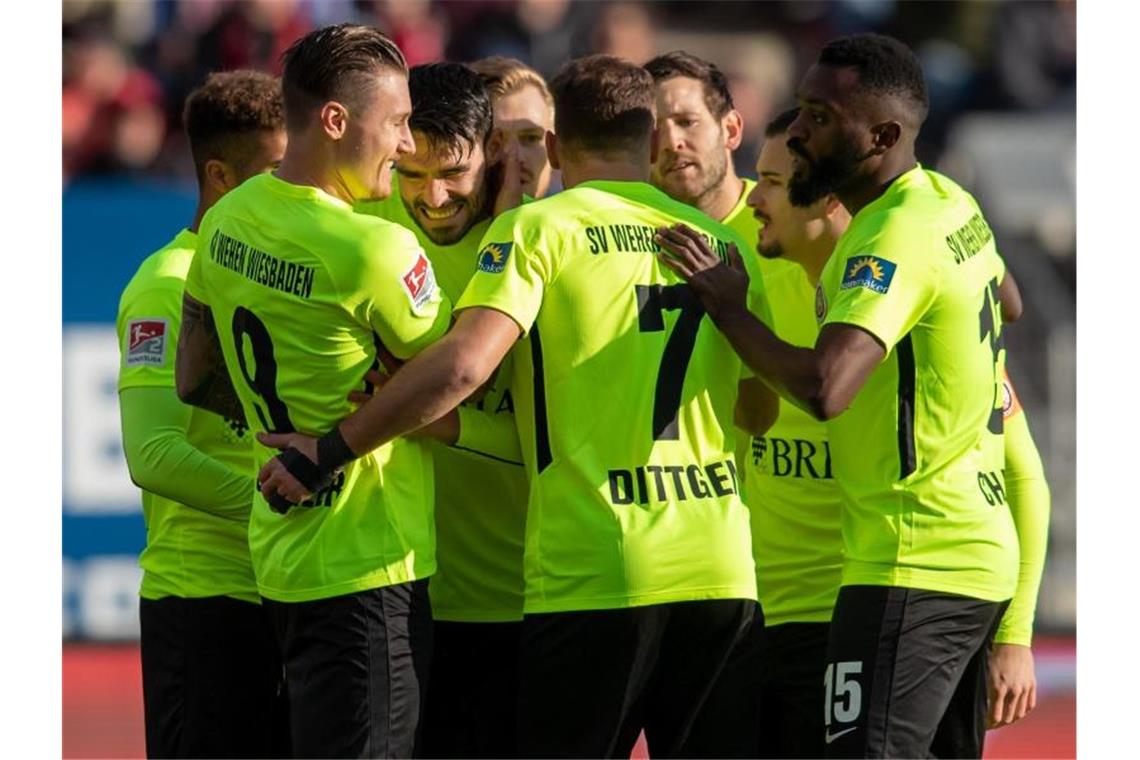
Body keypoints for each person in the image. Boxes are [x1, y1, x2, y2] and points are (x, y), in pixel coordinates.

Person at [256, 54, 777, 758]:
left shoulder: (541, 232)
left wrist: (336, 446)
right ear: (652, 140)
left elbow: (466, 364)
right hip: (719, 568)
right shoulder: (717, 247)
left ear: (558, 146)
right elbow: (758, 412)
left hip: (592, 571)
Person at [654, 33, 1019, 758]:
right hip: (974, 555)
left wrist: (729, 309)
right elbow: (1008, 301)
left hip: (909, 558)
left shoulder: (891, 236)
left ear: (881, 135)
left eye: (821, 118)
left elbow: (825, 388)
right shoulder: (947, 198)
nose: (802, 130)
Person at [174, 24, 451, 758]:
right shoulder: (373, 248)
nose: (407, 143)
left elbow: (194, 375)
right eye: (396, 122)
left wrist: (285, 427)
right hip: (369, 562)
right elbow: (449, 405)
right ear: (335, 120)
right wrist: (344, 425)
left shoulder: (226, 220)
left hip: (282, 556)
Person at [354, 61, 528, 758]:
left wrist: (432, 414)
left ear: (491, 150)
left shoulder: (537, 245)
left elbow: (557, 434)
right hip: (398, 590)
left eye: (454, 171)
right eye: (413, 172)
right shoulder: (366, 238)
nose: (432, 195)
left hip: (523, 595)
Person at [116, 69, 287, 760]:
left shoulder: (275, 271)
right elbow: (152, 452)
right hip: (205, 600)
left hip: (282, 588)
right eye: (277, 169)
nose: (294, 187)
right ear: (219, 175)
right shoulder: (167, 282)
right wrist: (282, 500)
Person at [470, 56, 556, 199]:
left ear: (554, 148)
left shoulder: (587, 220)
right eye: (494, 142)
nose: (515, 158)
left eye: (531, 138)